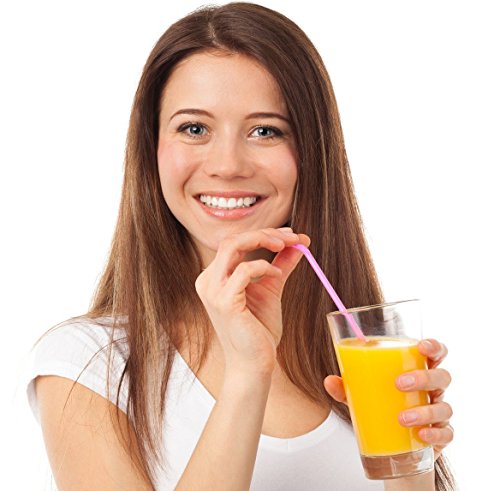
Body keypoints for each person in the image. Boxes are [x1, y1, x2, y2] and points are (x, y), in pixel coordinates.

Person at [26, 3, 457, 490]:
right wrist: (248, 371)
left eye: (265, 130)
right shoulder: (88, 364)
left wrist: (413, 465)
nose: (227, 164)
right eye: (194, 129)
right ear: (151, 149)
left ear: (312, 152)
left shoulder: (357, 352)